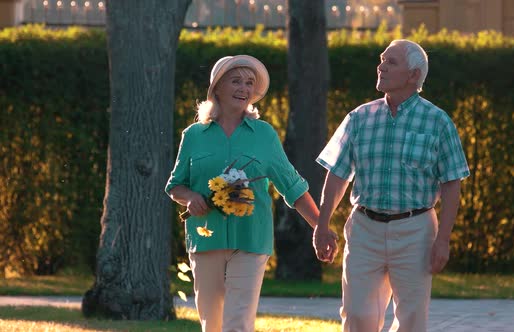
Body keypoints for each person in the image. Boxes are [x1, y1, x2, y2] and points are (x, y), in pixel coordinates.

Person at [165, 55, 335, 332]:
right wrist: (190, 197)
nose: (243, 88)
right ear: (217, 88)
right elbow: (175, 185)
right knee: (212, 323)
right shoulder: (194, 135)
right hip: (206, 237)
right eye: (235, 81)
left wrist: (321, 227)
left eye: (248, 83)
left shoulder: (264, 135)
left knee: (238, 322)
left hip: (252, 240)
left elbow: (291, 185)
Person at [313, 39, 470, 332]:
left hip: (416, 230)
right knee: (357, 315)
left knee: (411, 319)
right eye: (382, 59)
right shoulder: (358, 118)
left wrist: (443, 239)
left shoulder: (438, 122)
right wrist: (322, 225)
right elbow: (337, 176)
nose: (381, 66)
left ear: (414, 75)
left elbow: (452, 184)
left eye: (391, 62)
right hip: (364, 229)